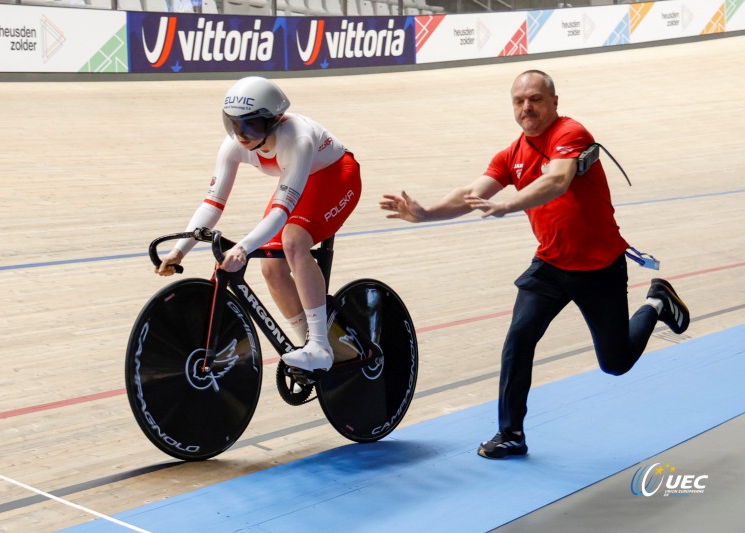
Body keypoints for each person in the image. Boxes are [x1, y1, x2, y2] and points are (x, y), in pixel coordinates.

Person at [380, 70, 689, 459]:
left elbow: (558, 180)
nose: (527, 107)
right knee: (519, 338)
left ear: (554, 103)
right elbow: (471, 193)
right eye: (519, 101)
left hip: (598, 268)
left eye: (536, 99)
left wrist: (507, 204)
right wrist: (426, 212)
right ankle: (511, 433)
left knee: (616, 362)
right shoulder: (511, 154)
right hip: (550, 264)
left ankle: (656, 302)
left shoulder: (570, 133)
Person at [157, 76, 362, 372]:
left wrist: (242, 249)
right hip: (301, 179)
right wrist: (179, 251)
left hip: (337, 176)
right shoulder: (233, 146)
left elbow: (280, 214)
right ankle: (315, 343)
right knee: (270, 266)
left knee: (293, 242)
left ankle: (320, 347)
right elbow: (212, 203)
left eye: (251, 125)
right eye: (233, 124)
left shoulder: (297, 139)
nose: (241, 134)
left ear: (274, 121)